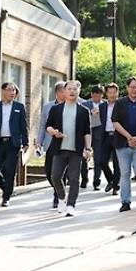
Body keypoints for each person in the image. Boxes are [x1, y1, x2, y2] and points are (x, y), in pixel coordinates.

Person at [45, 80, 92, 217]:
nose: (72, 91)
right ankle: (61, 198)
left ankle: (71, 205)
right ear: (64, 92)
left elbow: (87, 132)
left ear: (79, 91)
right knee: (55, 176)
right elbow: (48, 126)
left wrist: (88, 148)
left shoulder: (84, 111)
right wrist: (54, 132)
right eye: (69, 89)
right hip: (59, 148)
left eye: (75, 89)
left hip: (76, 150)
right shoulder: (56, 109)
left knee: (74, 179)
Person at [0, 82, 29, 207]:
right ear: (3, 91)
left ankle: (6, 198)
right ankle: (6, 188)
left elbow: (23, 126)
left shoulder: (19, 107)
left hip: (13, 143)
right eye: (9, 90)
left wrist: (25, 142)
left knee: (10, 170)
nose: (12, 92)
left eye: (14, 90)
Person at [112, 76, 136, 212]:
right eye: (132, 87)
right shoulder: (120, 103)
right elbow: (115, 122)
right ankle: (125, 201)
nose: (134, 89)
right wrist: (129, 137)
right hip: (123, 143)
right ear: (127, 88)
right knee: (125, 173)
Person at [37, 81, 66, 208]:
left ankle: (58, 196)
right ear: (58, 92)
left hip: (66, 144)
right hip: (50, 144)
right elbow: (42, 125)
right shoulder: (48, 107)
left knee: (60, 172)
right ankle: (58, 191)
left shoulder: (71, 106)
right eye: (65, 90)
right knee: (49, 172)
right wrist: (39, 142)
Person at [94, 83, 120, 193]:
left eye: (114, 92)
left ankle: (115, 186)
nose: (112, 95)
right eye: (110, 92)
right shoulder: (102, 106)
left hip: (118, 136)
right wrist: (94, 114)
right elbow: (96, 121)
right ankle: (111, 180)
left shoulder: (121, 104)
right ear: (106, 93)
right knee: (101, 161)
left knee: (116, 163)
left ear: (117, 93)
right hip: (106, 136)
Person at [81, 84, 104, 189]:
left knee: (98, 159)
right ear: (91, 94)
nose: (97, 98)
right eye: (95, 95)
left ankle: (96, 181)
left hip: (99, 134)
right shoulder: (85, 105)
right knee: (84, 157)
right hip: (87, 134)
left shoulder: (104, 105)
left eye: (99, 95)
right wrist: (90, 113)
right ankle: (84, 179)